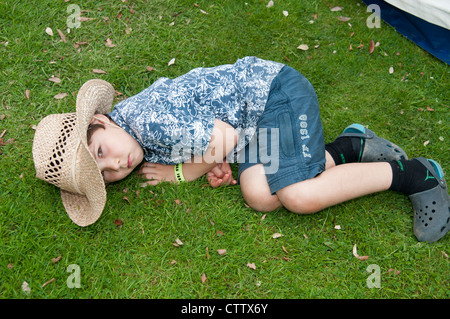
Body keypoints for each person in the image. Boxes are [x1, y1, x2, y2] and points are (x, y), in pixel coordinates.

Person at [32, 57, 449, 243]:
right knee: (259, 197)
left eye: (101, 151)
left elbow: (225, 140)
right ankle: (348, 148)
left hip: (274, 97)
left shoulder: (149, 119)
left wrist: (188, 172)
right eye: (104, 174)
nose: (116, 165)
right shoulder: (132, 133)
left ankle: (415, 174)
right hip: (250, 125)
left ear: (101, 121)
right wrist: (215, 161)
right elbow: (218, 139)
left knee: (299, 196)